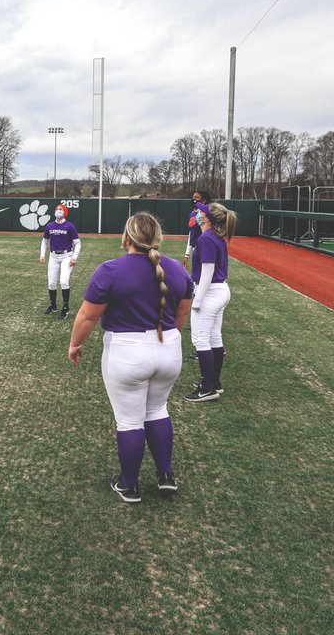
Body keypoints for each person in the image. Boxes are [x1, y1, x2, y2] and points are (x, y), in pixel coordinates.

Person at [68, 212, 193, 503]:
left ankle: (129, 484)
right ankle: (165, 475)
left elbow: (87, 315)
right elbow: (182, 313)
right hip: (168, 347)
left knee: (129, 421)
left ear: (127, 239)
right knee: (158, 410)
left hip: (127, 351)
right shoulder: (176, 269)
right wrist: (167, 339)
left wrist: (75, 344)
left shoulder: (111, 270)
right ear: (157, 239)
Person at [184, 201, 237, 402]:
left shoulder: (207, 238)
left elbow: (207, 272)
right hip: (219, 290)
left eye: (200, 211)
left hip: (210, 291)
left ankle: (208, 388)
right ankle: (214, 382)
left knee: (200, 339)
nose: (197, 213)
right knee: (214, 337)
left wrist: (198, 299)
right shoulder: (215, 236)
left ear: (206, 218)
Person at [39, 203, 81, 318]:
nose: (58, 211)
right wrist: (42, 254)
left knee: (63, 281)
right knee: (52, 282)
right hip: (53, 256)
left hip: (66, 256)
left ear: (65, 212)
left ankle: (66, 307)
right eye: (57, 209)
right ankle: (53, 306)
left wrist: (74, 258)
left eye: (60, 209)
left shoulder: (70, 226)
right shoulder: (50, 226)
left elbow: (77, 243)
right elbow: (45, 241)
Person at [182, 190, 213, 270]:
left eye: (197, 197)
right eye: (193, 197)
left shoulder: (206, 215)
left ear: (203, 200)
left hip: (204, 247)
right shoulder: (192, 214)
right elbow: (191, 234)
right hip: (195, 249)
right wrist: (187, 254)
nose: (194, 199)